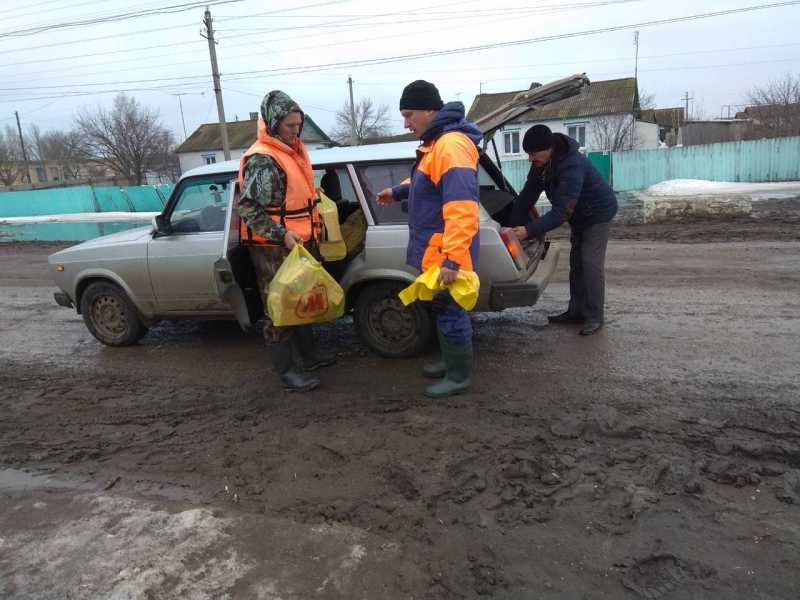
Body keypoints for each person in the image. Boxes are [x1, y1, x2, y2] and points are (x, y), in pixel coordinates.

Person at [376, 80, 482, 398]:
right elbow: (425, 180)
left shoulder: (450, 145)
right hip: (436, 248)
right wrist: (396, 191)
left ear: (429, 110)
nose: (406, 123)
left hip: (447, 251)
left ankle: (459, 376)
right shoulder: (436, 145)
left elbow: (462, 209)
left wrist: (452, 259)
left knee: (450, 308)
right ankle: (450, 363)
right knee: (441, 305)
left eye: (409, 115)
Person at [238, 90, 338, 392]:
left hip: (298, 242)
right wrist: (281, 234)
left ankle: (310, 357)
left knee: (302, 298)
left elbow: (289, 195)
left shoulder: (291, 149)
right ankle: (287, 374)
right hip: (273, 248)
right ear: (273, 124)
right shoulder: (263, 159)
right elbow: (248, 208)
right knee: (279, 307)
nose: (297, 131)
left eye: (299, 124)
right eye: (290, 126)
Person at [509, 124, 618, 336]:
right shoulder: (543, 165)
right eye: (528, 154)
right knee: (576, 264)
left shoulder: (571, 166)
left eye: (533, 153)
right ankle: (576, 311)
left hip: (598, 214)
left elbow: (561, 213)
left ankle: (595, 318)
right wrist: (511, 226)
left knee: (590, 262)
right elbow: (526, 197)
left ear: (548, 148)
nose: (530, 159)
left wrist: (528, 231)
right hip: (580, 215)